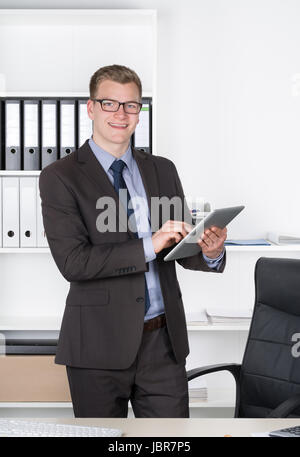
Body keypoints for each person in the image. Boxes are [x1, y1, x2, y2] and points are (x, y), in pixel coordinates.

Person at [39, 64, 227, 418]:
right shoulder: (60, 177)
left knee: (169, 443)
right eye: (109, 104)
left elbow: (180, 246)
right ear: (91, 108)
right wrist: (148, 244)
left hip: (163, 344)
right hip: (97, 345)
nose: (120, 114)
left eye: (131, 105)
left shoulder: (162, 169)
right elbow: (74, 263)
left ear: (140, 113)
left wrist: (210, 251)